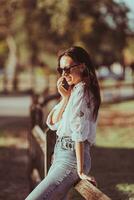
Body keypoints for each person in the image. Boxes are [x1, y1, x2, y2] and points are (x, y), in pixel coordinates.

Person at [25, 46, 101, 200]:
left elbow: (78, 132)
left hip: (71, 158)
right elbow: (52, 122)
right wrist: (65, 98)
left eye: (67, 69)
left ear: (82, 66)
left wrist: (80, 171)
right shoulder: (73, 92)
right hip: (61, 155)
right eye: (61, 70)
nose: (64, 74)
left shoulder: (83, 91)